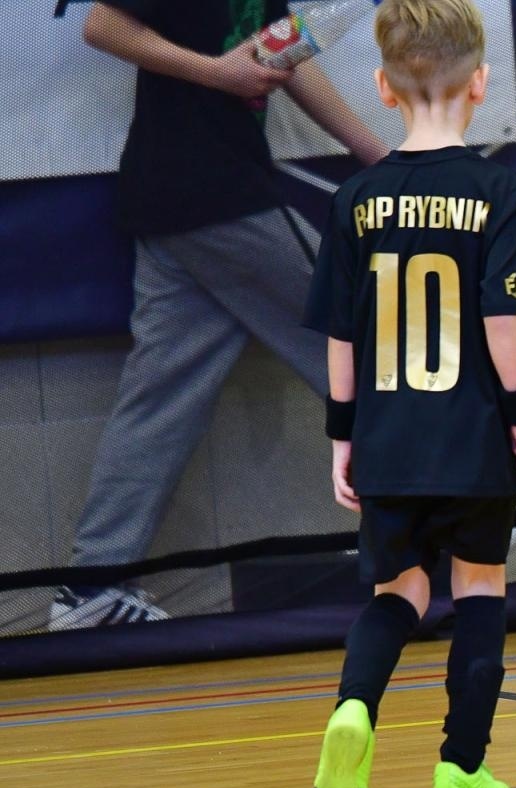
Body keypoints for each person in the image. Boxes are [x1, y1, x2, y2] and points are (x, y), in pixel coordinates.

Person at [51, 0, 389, 630]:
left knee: (160, 400)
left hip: (175, 205)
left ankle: (91, 587)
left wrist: (379, 157)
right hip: (214, 195)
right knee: (365, 346)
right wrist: (216, 73)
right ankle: (441, 531)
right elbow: (102, 24)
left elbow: (286, 56)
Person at [302, 0, 516, 788]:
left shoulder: (355, 200)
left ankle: (354, 709)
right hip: (473, 438)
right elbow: (501, 319)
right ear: (480, 84)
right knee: (479, 588)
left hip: (388, 440)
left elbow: (341, 334)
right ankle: (460, 769)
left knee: (398, 590)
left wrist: (342, 436)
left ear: (382, 87)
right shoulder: (503, 192)